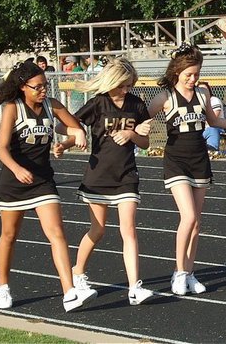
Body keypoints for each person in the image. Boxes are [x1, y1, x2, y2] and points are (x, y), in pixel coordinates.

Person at [0, 61, 97, 312]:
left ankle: (69, 292)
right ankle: (3, 285)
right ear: (23, 87)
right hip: (14, 182)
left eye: (45, 85)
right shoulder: (12, 108)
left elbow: (75, 127)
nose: (43, 91)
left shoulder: (52, 105)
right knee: (9, 235)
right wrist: (17, 169)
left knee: (57, 233)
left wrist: (73, 138)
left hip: (42, 181)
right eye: (37, 87)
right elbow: (1, 148)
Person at [55, 58, 155, 306]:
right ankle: (78, 272)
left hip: (126, 176)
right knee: (98, 229)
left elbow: (146, 143)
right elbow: (64, 125)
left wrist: (131, 134)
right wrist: (69, 141)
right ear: (111, 82)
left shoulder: (137, 105)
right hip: (98, 175)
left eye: (129, 85)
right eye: (122, 85)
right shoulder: (98, 103)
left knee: (129, 230)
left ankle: (134, 287)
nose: (126, 90)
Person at [146, 44, 226, 295]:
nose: (193, 79)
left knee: (196, 223)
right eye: (189, 74)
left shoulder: (203, 95)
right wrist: (138, 129)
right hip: (176, 161)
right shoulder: (165, 97)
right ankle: (179, 272)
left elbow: (214, 121)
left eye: (196, 74)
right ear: (177, 71)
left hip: (199, 159)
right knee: (189, 217)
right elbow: (142, 118)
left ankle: (189, 272)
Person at [197, 82, 224, 152]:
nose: (203, 91)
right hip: (200, 128)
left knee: (212, 129)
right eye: (200, 89)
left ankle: (212, 149)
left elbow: (213, 119)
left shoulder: (214, 100)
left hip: (215, 127)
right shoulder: (196, 102)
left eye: (205, 89)